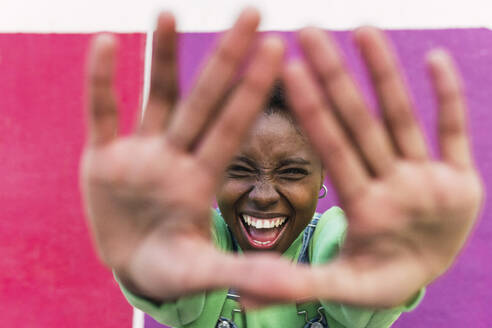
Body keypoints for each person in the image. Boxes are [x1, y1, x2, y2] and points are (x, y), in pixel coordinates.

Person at [80, 7, 483, 328]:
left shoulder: (328, 240)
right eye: (239, 169)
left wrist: (386, 263)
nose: (264, 194)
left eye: (291, 173)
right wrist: (142, 265)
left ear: (324, 177)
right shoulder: (203, 249)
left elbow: (349, 271)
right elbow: (176, 285)